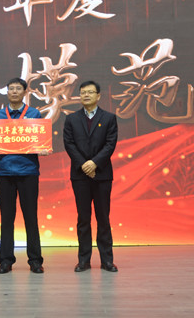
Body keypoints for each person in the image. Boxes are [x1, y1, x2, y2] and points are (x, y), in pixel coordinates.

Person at [0, 78, 49, 274]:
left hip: (28, 171)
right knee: (7, 218)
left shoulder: (34, 114)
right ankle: (6, 260)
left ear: (25, 92)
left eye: (18, 88)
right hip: (5, 172)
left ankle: (35, 260)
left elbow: (39, 140)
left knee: (31, 217)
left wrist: (43, 147)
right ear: (7, 92)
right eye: (11, 88)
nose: (14, 91)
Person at [63, 81, 118, 272]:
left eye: (90, 92)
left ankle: (107, 260)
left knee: (103, 218)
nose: (86, 95)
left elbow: (110, 144)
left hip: (102, 175)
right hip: (80, 176)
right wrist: (84, 165)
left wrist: (94, 163)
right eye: (83, 92)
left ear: (98, 95)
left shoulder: (109, 118)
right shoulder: (71, 119)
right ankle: (83, 260)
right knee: (83, 218)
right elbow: (69, 144)